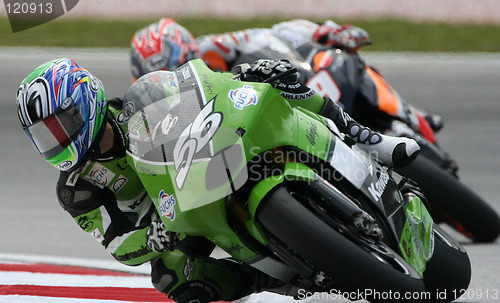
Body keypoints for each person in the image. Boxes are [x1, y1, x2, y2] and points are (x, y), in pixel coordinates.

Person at [16, 57, 418, 302]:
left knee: (278, 81)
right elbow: (118, 245)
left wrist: (243, 77)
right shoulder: (77, 189)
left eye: (59, 124)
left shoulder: (144, 98)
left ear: (84, 99)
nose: (58, 139)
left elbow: (206, 91)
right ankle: (265, 278)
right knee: (171, 277)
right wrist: (152, 239)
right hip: (176, 223)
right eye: (44, 135)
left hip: (208, 163)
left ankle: (367, 140)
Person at [131, 18, 443, 138]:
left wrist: (324, 32)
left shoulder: (214, 46)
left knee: (342, 57)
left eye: (182, 63)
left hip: (300, 82)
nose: (182, 73)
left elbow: (275, 32)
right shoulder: (175, 112)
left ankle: (411, 113)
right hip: (276, 121)